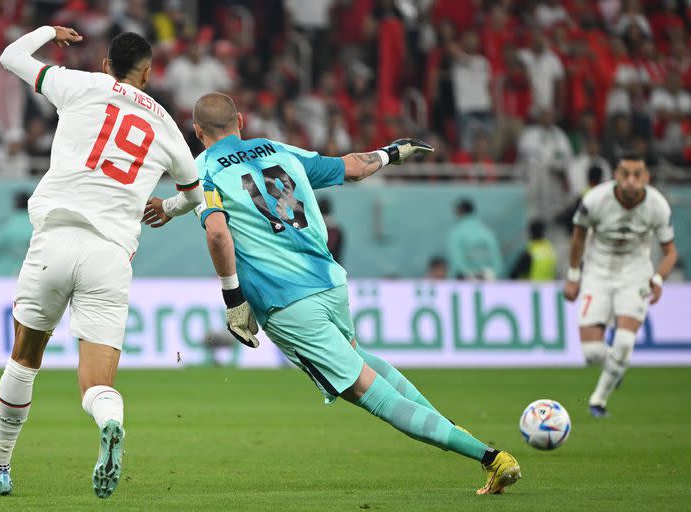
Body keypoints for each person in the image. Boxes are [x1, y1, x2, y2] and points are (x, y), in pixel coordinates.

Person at [144, 92, 521, 495]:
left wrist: (234, 301)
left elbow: (218, 232)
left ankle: (489, 457)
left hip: (286, 302)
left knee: (365, 391)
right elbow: (354, 168)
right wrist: (392, 153)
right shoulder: (279, 150)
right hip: (330, 282)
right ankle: (466, 439)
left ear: (197, 132)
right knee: (360, 361)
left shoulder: (203, 169)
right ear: (241, 120)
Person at [0, 27, 203, 498]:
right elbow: (194, 194)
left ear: (107, 65)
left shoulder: (78, 84)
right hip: (110, 255)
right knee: (97, 382)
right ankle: (111, 420)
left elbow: (9, 56)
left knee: (24, 358)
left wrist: (48, 32)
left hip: (55, 238)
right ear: (147, 73)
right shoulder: (165, 124)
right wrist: (168, 208)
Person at [563, 153, 678, 418]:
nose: (630, 181)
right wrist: (572, 275)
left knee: (624, 342)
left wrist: (658, 278)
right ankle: (616, 367)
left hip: (635, 274)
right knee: (592, 353)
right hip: (597, 273)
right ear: (616, 175)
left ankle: (598, 401)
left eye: (637, 175)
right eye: (625, 174)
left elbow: (670, 252)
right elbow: (578, 238)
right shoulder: (595, 200)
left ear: (646, 177)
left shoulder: (657, 205)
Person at [446, 198, 504, 280]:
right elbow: (497, 260)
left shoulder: (456, 233)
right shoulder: (487, 232)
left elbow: (457, 260)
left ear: (459, 211)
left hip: (463, 282)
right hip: (487, 281)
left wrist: (470, 275)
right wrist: (491, 273)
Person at [0, 191, 33, 276]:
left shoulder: (5, 226)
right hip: (33, 275)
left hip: (5, 275)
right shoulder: (39, 225)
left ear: (15, 205)